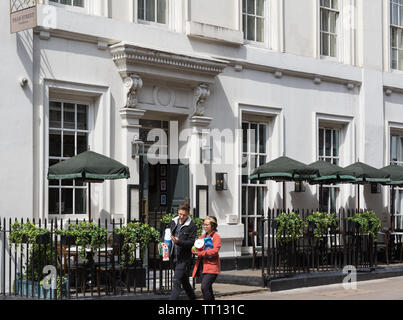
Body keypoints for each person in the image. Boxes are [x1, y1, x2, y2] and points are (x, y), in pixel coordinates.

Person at [168, 203, 197, 300]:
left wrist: (179, 242)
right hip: (173, 256)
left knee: (176, 282)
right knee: (185, 282)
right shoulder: (173, 222)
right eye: (180, 214)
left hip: (183, 258)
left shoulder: (191, 225)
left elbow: (192, 242)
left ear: (188, 214)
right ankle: (193, 298)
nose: (181, 217)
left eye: (184, 215)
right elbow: (167, 234)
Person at [192, 216, 221, 300]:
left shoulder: (216, 237)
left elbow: (215, 251)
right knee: (208, 289)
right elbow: (196, 246)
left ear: (213, 226)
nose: (205, 226)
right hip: (202, 266)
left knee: (204, 287)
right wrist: (193, 249)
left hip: (212, 267)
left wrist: (200, 253)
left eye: (207, 225)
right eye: (204, 225)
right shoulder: (203, 236)